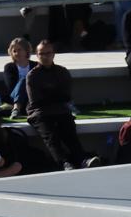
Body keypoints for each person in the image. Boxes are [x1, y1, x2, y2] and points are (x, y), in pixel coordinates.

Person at [26, 40, 99, 170]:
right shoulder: (32, 75)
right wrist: (55, 95)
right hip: (40, 113)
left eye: (48, 53)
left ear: (53, 54)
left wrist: (48, 94)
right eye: (41, 53)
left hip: (61, 110)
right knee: (50, 136)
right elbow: (36, 101)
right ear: (37, 55)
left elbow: (66, 97)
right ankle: (64, 163)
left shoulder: (62, 71)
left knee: (70, 132)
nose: (45, 56)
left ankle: (82, 159)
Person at [2, 36, 34, 117]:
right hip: (14, 97)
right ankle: (16, 108)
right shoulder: (9, 67)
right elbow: (11, 86)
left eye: (19, 50)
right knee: (24, 80)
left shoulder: (35, 65)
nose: (17, 53)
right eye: (14, 51)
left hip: (32, 95)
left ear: (26, 50)